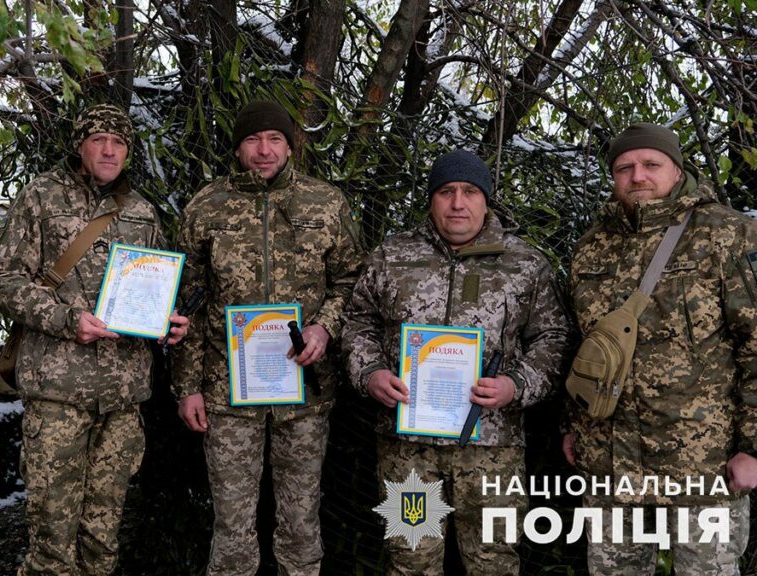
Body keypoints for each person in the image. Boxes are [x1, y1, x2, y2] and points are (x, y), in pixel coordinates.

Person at [0, 103, 189, 576]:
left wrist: (169, 320)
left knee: (103, 533)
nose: (109, 150)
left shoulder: (141, 212)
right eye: (99, 140)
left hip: (122, 396)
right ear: (80, 146)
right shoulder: (41, 198)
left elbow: (153, 287)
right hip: (58, 393)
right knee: (52, 536)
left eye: (118, 143)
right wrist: (63, 318)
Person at [341, 149, 570, 575]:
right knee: (410, 559)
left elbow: (552, 339)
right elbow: (357, 322)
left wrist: (516, 385)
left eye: (469, 191)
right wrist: (370, 374)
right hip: (408, 448)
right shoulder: (393, 255)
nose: (458, 202)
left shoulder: (525, 263)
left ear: (486, 199)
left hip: (492, 448)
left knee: (493, 563)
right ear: (431, 199)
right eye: (446, 191)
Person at [173, 100, 363, 575]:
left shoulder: (326, 203)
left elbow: (352, 281)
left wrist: (325, 327)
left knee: (300, 520)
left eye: (274, 139)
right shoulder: (206, 206)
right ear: (238, 150)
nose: (264, 150)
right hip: (226, 393)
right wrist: (188, 386)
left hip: (304, 390)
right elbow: (186, 303)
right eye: (253, 140)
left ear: (290, 145)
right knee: (232, 524)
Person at [564, 123, 757, 574]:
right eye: (624, 168)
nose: (638, 177)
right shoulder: (593, 247)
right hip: (609, 458)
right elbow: (584, 345)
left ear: (676, 169)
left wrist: (753, 447)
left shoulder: (726, 234)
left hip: (703, 462)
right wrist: (573, 421)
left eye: (652, 164)